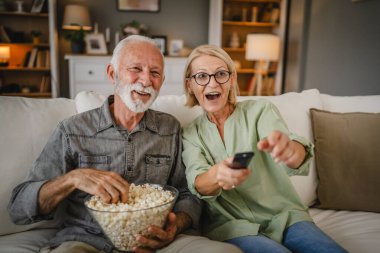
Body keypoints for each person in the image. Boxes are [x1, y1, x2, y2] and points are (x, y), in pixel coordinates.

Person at [7, 36, 242, 253]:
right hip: (87, 240)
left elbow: (187, 193)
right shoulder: (73, 130)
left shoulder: (169, 129)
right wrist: (73, 178)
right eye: (136, 69)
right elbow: (19, 207)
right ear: (112, 74)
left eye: (155, 73)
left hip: (159, 242)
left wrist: (175, 226)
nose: (146, 80)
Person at [181, 44, 348, 253]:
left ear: (232, 79)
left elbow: (293, 152)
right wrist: (217, 174)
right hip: (233, 227)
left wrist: (290, 150)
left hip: (285, 216)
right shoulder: (190, 134)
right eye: (201, 76)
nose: (212, 83)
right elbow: (198, 183)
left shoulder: (260, 110)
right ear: (190, 85)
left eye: (221, 74)